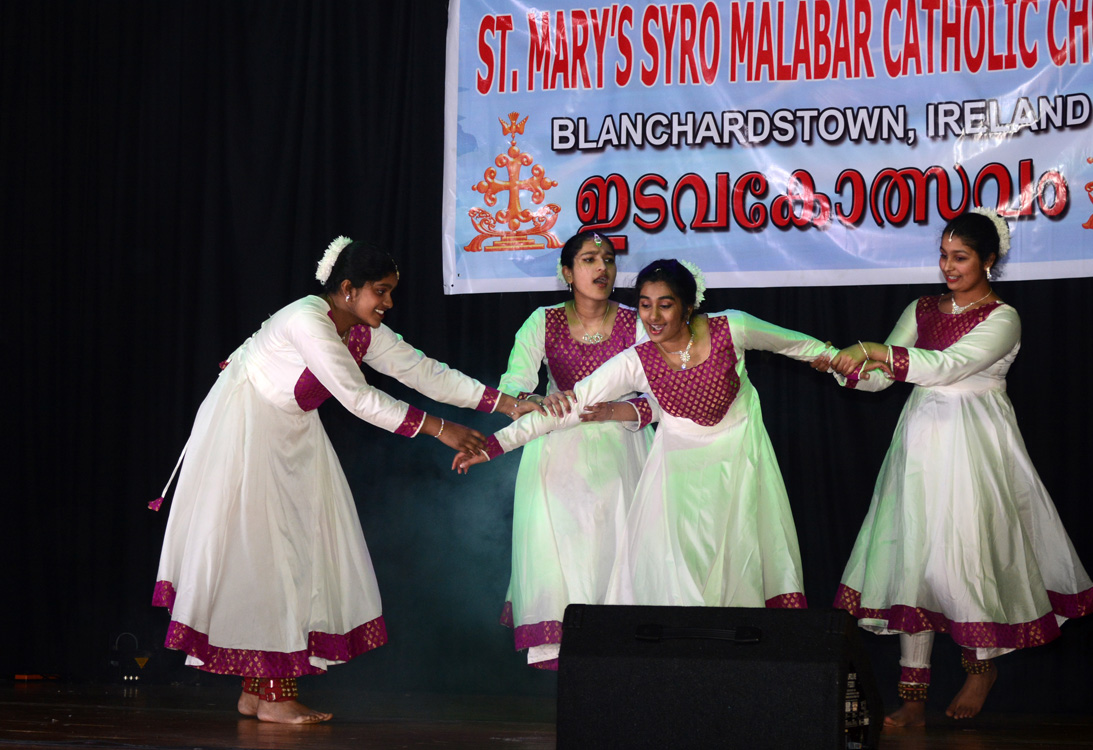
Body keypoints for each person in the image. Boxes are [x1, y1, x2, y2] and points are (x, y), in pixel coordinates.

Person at [151, 237, 536, 723]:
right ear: (349, 289)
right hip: (247, 430)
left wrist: (506, 403)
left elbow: (423, 371)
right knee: (266, 559)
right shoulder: (307, 321)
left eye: (391, 292)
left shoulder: (358, 328)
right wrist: (441, 429)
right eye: (381, 291)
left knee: (295, 554)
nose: (388, 303)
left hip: (291, 432)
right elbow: (358, 398)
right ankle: (273, 696)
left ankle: (258, 693)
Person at [824, 210, 1093, 726]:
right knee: (916, 558)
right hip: (919, 444)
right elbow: (884, 377)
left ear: (988, 260)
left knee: (968, 554)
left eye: (961, 257)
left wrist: (878, 351)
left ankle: (981, 667)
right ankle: (912, 698)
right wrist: (848, 368)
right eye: (944, 256)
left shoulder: (1003, 317)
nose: (948, 267)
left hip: (976, 445)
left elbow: (949, 366)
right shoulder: (921, 307)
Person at [456, 259, 837, 612]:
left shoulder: (731, 328)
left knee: (743, 563)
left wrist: (840, 361)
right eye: (644, 305)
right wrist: (492, 447)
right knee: (679, 576)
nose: (653, 317)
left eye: (665, 305)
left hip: (741, 460)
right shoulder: (637, 360)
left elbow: (796, 345)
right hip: (678, 477)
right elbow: (570, 406)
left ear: (688, 307)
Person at [495, 231, 655, 670]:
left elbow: (661, 393)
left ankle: (617, 663)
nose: (602, 267)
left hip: (622, 451)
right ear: (567, 273)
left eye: (609, 259)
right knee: (560, 551)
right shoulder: (542, 321)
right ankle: (571, 667)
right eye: (589, 260)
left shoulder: (636, 322)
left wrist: (620, 410)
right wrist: (536, 400)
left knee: (617, 549)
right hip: (558, 454)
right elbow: (513, 386)